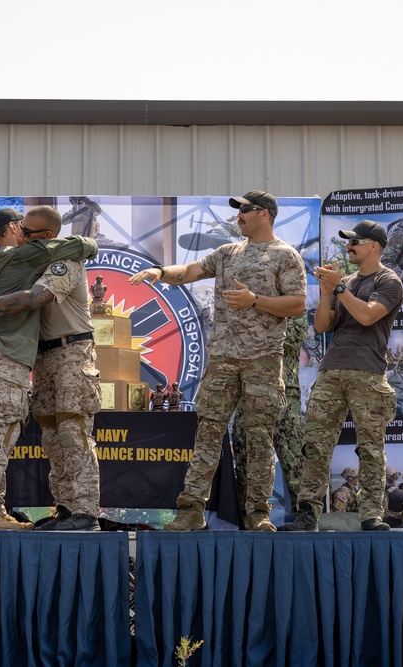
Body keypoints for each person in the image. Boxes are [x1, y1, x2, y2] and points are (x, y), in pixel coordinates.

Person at [130, 190, 306, 532]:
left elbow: (297, 304)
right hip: (223, 358)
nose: (238, 216)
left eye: (245, 211)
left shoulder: (285, 255)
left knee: (259, 437)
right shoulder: (227, 252)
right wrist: (159, 271)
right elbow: (191, 271)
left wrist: (255, 300)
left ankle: (258, 513)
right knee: (208, 432)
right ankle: (191, 510)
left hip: (263, 360)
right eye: (238, 211)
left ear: (264, 214)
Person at [0, 206, 100, 531]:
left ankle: (86, 512)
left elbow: (37, 298)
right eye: (19, 227)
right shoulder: (29, 259)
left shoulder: (64, 263)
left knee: (73, 432)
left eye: (27, 231)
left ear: (46, 238)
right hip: (42, 357)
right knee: (51, 435)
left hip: (72, 352)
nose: (19, 233)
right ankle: (65, 508)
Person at [282, 220, 403, 532]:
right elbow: (323, 326)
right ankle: (308, 513)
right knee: (316, 445)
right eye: (348, 242)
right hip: (332, 370)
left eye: (355, 242)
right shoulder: (346, 281)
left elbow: (366, 315)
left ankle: (371, 515)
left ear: (374, 246)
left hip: (368, 372)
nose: (349, 247)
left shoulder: (389, 281)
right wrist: (326, 294)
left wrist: (338, 287)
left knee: (371, 447)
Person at [232, 315, 307, 519]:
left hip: (284, 395)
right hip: (248, 393)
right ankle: (247, 517)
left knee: (293, 461)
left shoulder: (293, 308)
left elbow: (292, 338)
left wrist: (256, 328)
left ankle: (303, 517)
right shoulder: (247, 306)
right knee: (245, 458)